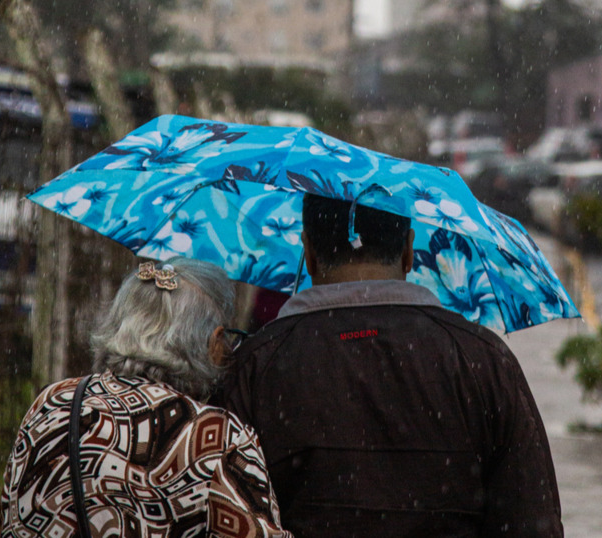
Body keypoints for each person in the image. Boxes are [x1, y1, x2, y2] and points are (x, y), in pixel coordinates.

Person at [223, 194, 563, 537]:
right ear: (408, 251)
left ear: (308, 252)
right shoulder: (483, 361)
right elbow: (532, 520)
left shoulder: (255, 366)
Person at [0, 257, 292, 538]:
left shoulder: (54, 402)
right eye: (228, 338)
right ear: (213, 342)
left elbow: (11, 520)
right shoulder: (218, 439)